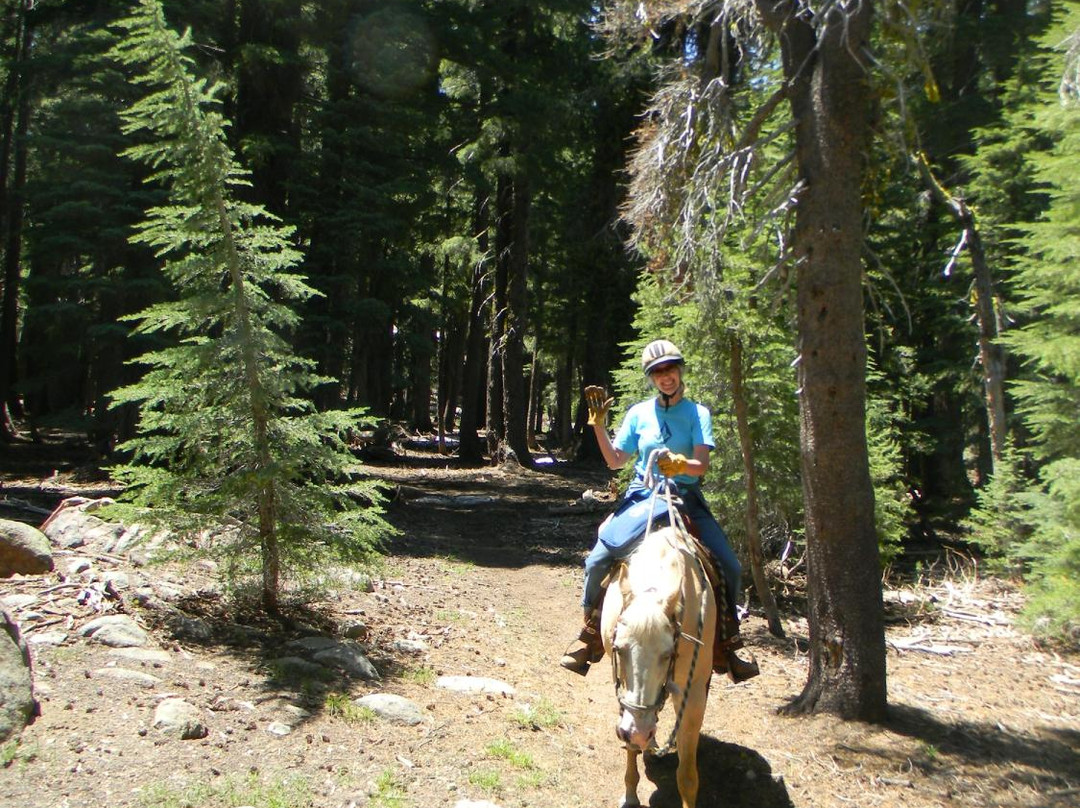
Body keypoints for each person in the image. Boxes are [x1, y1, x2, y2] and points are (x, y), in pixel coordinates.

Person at [559, 339, 759, 682]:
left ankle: (729, 642)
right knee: (596, 560)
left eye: (670, 369)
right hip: (643, 497)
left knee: (730, 565)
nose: (666, 377)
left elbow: (701, 466)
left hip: (684, 498)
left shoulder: (698, 414)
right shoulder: (638, 413)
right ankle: (589, 635)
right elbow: (614, 461)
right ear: (651, 378)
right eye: (658, 372)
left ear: (679, 371)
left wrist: (680, 463)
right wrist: (598, 427)